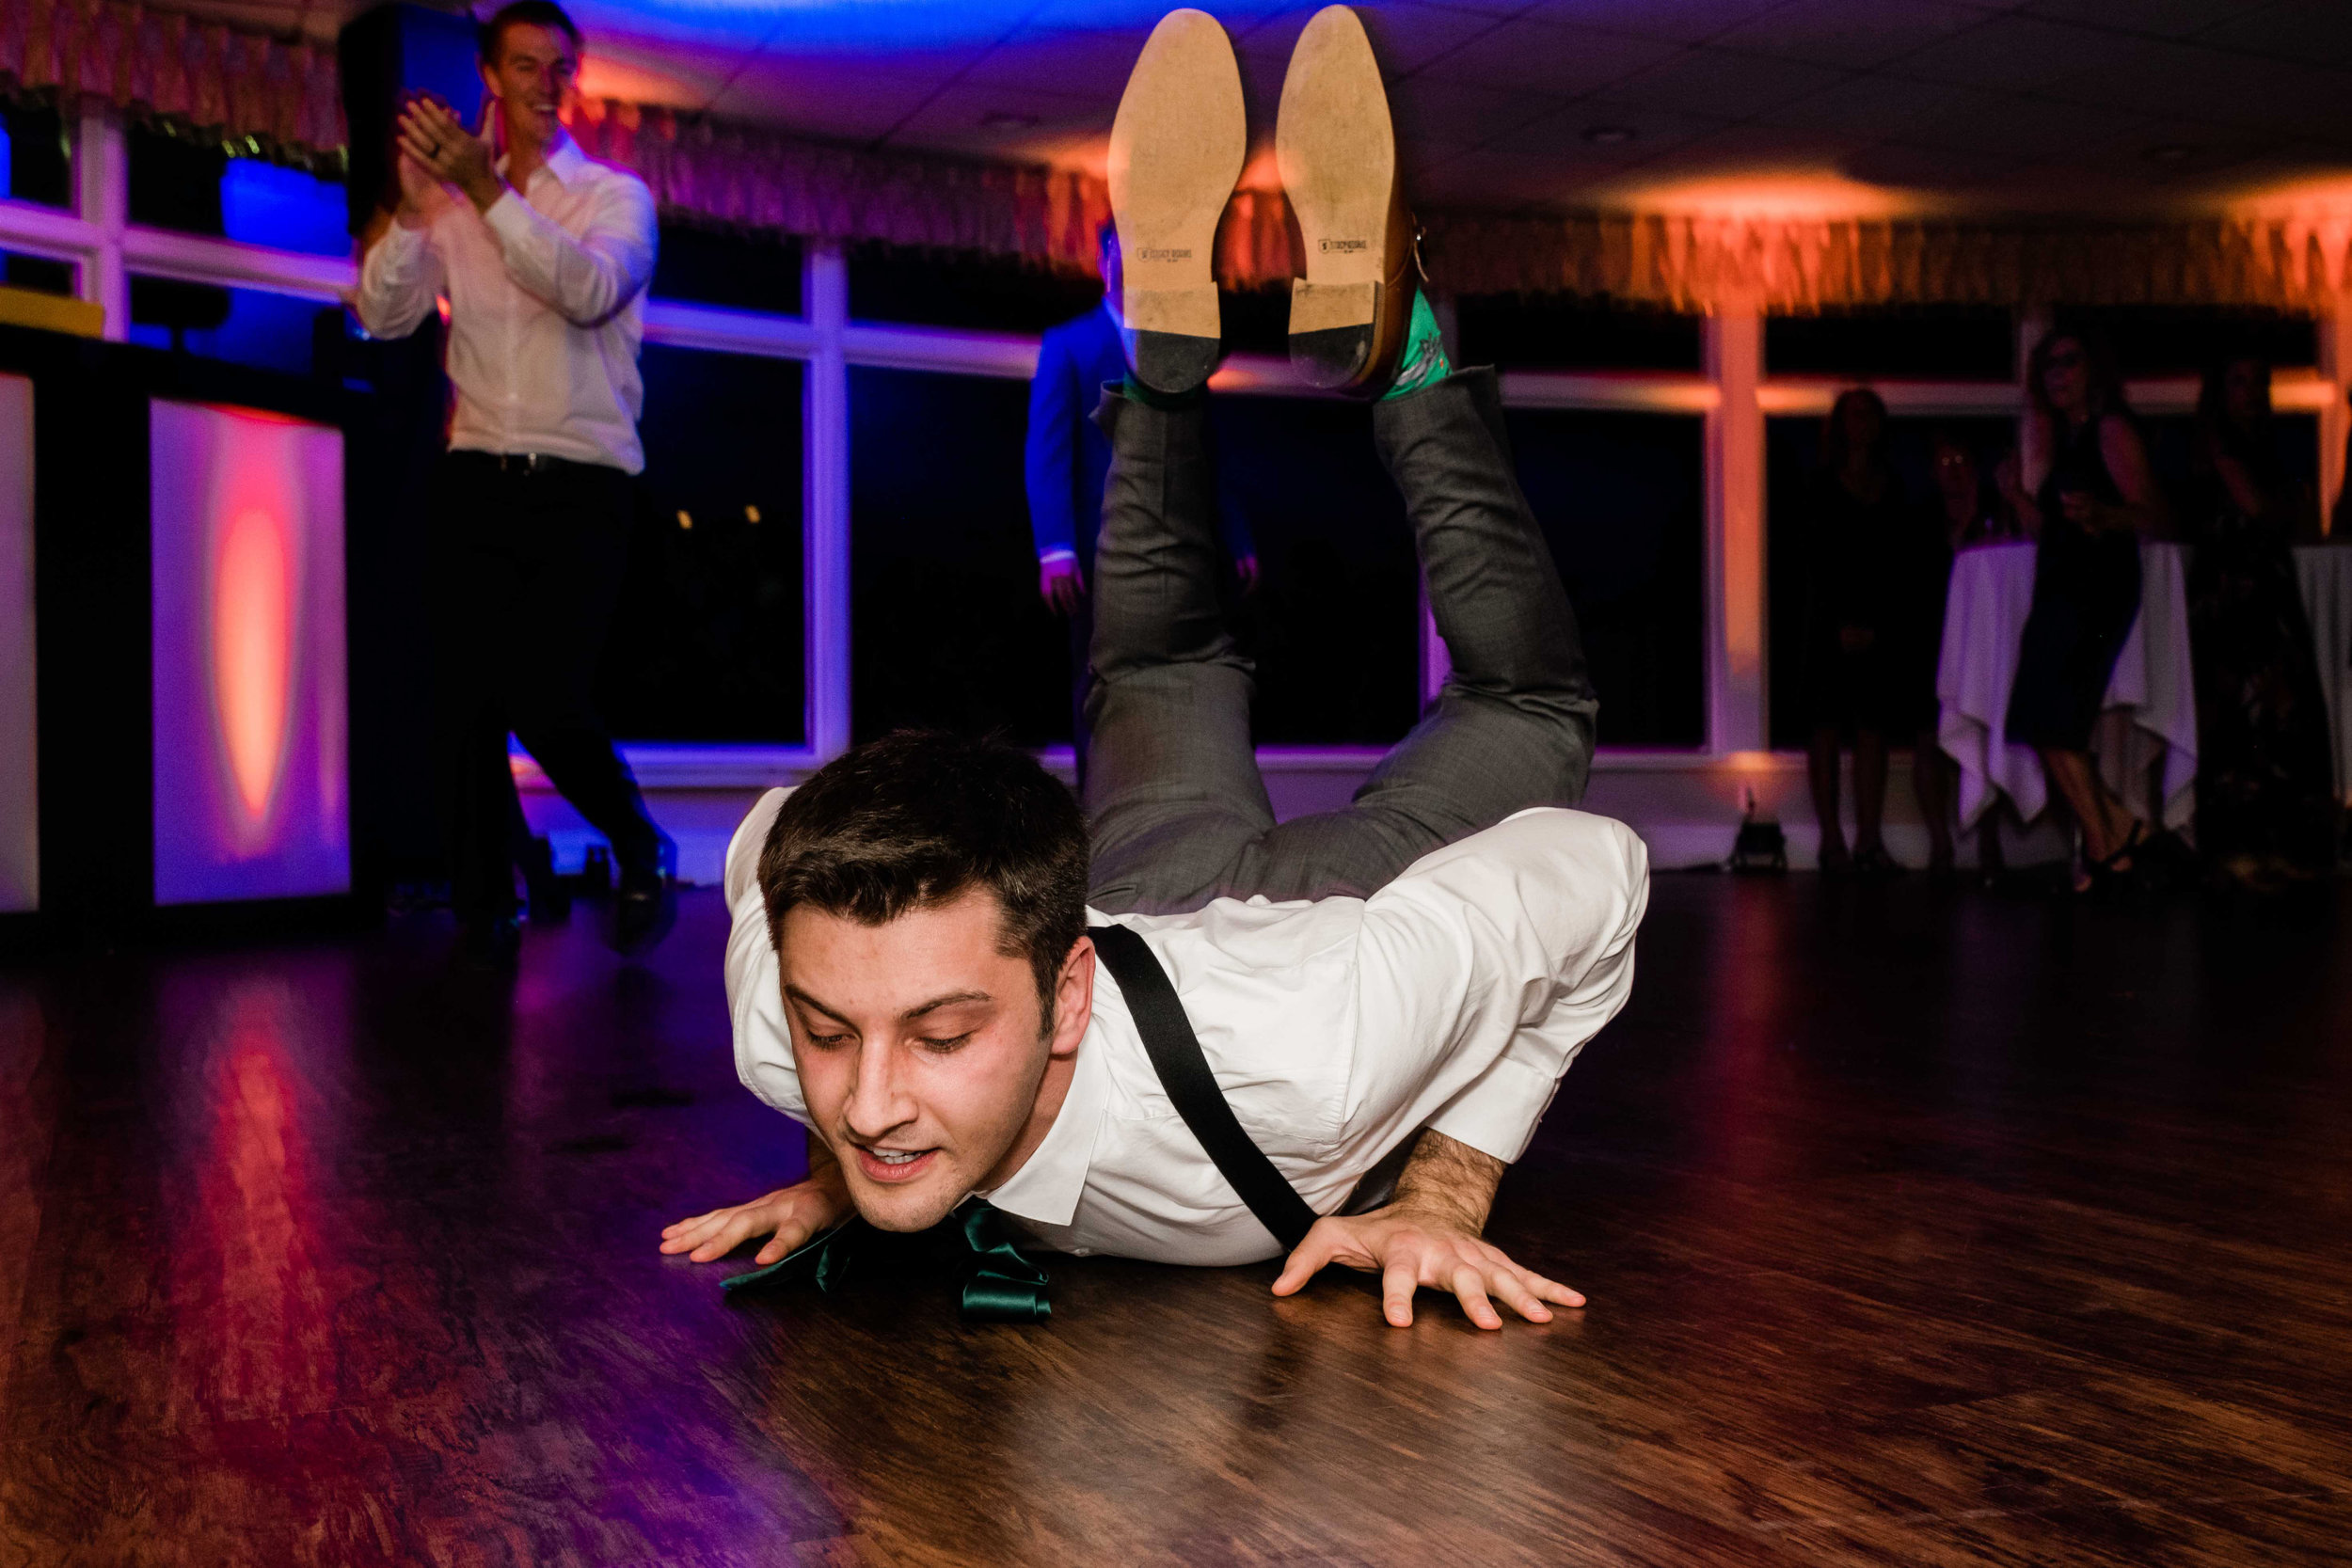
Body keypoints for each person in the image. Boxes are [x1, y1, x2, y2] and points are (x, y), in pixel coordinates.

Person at [662, 7, 1646, 1330]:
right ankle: (1167, 362)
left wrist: (1443, 1191)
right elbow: (773, 831)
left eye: (943, 1032)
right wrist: (839, 1175)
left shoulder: (1320, 1050)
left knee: (1525, 708)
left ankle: (1383, 349)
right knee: (1160, 656)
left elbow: (1600, 867)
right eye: (833, 1029)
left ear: (1061, 990)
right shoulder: (787, 1023)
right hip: (1146, 901)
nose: (866, 1099)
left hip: (1285, 956)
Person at [354, 0, 675, 967]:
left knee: (545, 692)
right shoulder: (450, 206)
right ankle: (480, 907)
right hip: (474, 475)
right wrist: (413, 209)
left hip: (585, 483)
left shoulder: (616, 199)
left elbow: (583, 288)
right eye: (525, 66)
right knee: (463, 703)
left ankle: (636, 837)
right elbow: (381, 315)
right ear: (490, 77)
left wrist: (483, 190)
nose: (544, 84)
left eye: (558, 68)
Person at [1025, 222, 1257, 779]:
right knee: (1099, 683)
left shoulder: (1179, 345)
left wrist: (1238, 538)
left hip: (1186, 549)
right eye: (1130, 247)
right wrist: (1055, 546)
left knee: (1188, 677)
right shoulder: (1069, 344)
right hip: (1102, 556)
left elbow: (1209, 451)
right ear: (1107, 258)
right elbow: (1048, 449)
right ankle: (1103, 799)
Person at [2003, 329, 2169, 894]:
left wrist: (2103, 513)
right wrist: (2018, 499)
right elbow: (2052, 528)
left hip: (2095, 588)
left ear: (2093, 368)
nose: (2056, 375)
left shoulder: (2112, 428)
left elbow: (2150, 514)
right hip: (2062, 586)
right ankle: (2118, 833)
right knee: (2045, 718)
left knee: (2049, 717)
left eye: (2068, 362)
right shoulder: (2071, 437)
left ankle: (2107, 849)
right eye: (2047, 365)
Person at [2185, 355, 2338, 890]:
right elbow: (2250, 510)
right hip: (2230, 599)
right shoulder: (2211, 451)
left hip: (2268, 594)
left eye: (2259, 383)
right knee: (2236, 718)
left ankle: (2288, 845)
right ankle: (2238, 847)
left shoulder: (2267, 451)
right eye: (2239, 381)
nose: (2251, 394)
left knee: (2283, 718)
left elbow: (2290, 517)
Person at [1798, 388, 1937, 877]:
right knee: (1827, 727)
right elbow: (1814, 561)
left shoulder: (1892, 485)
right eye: (1854, 414)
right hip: (1828, 624)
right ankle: (1832, 842)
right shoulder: (1819, 484)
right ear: (1839, 424)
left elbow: (1898, 564)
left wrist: (1879, 626)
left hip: (1879, 624)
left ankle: (1870, 841)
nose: (1863, 423)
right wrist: (1836, 625)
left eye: (1871, 414)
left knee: (1872, 726)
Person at [1930, 430, 2022, 879]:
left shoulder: (1995, 515)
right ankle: (1940, 845)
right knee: (1929, 737)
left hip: (1982, 637)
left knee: (1986, 724)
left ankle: (1989, 840)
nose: (1954, 471)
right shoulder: (1924, 519)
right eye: (1945, 463)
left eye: (1961, 460)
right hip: (1930, 636)